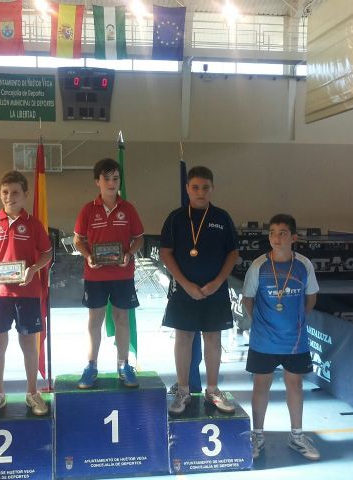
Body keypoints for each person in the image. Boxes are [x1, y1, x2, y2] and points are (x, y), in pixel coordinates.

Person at [160, 166, 239, 415]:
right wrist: (185, 284)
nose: (200, 192)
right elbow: (165, 253)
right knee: (183, 337)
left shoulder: (222, 217)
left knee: (213, 338)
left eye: (205, 187)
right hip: (184, 289)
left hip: (215, 289)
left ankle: (212, 390)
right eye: (195, 187)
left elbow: (233, 252)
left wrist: (217, 282)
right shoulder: (175, 218)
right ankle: (183, 390)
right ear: (187, 189)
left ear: (212, 189)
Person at [242, 214, 320, 460]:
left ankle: (296, 436)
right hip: (263, 340)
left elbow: (311, 298)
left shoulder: (304, 265)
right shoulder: (258, 266)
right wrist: (262, 324)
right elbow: (248, 299)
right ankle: (257, 435)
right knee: (260, 385)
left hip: (295, 340)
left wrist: (295, 321)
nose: (276, 237)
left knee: (295, 385)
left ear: (294, 237)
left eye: (283, 233)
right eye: (272, 233)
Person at [0, 170, 53, 418]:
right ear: (0, 194)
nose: (10, 197)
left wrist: (33, 270)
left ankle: (32, 393)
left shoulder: (34, 224)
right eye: (5, 192)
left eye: (15, 192)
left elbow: (47, 253)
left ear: (25, 194)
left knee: (29, 343)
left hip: (27, 292)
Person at [73, 158, 144, 389]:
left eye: (116, 178)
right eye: (107, 178)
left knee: (122, 319)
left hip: (123, 275)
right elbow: (78, 240)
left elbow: (139, 239)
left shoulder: (128, 209)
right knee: (95, 321)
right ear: (98, 181)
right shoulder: (87, 209)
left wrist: (129, 254)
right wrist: (88, 256)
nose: (112, 183)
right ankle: (91, 366)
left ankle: (123, 365)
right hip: (95, 277)